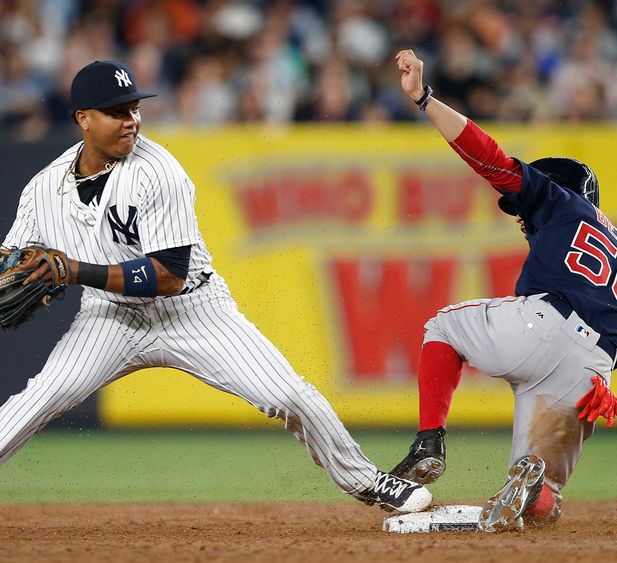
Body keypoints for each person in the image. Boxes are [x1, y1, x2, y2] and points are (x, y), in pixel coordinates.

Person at [0, 60, 432, 515]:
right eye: (116, 112)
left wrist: (72, 271)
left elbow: (169, 276)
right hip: (109, 316)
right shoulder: (42, 189)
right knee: (39, 397)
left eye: (133, 108)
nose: (131, 120)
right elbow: (12, 262)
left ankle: (369, 480)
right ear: (83, 119)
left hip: (194, 311)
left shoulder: (158, 171)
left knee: (287, 395)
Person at [390, 49, 617, 531]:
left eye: (520, 211)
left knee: (442, 327)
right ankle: (534, 490)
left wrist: (425, 99)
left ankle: (429, 442)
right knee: (543, 504)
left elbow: (489, 156)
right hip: (590, 376)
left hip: (542, 326)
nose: (520, 219)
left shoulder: (558, 201)